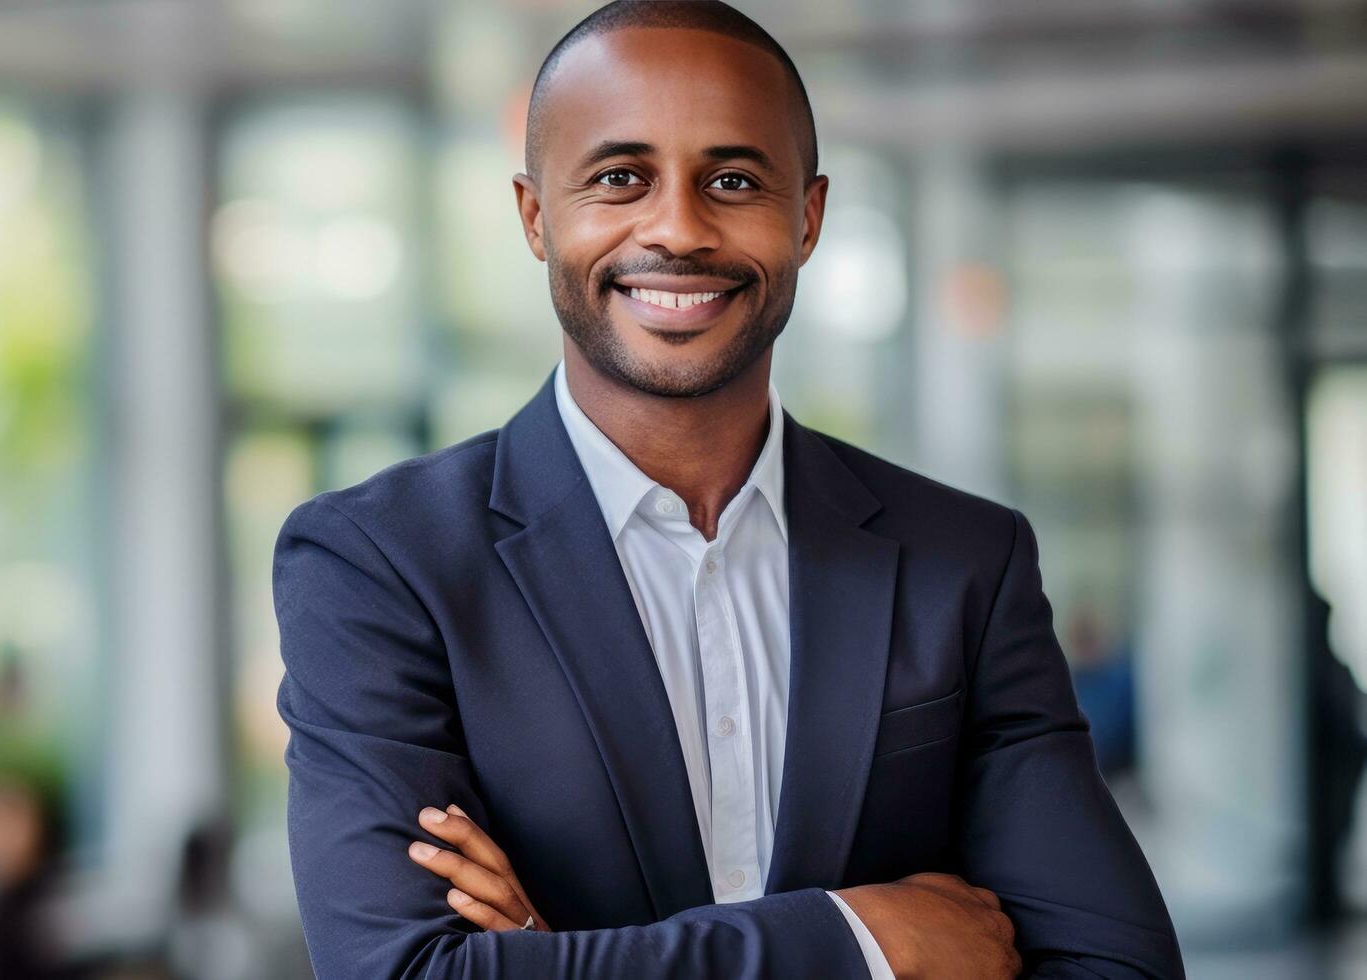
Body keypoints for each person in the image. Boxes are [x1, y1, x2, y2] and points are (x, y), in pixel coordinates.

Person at [270, 3, 1182, 977]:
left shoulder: (962, 560)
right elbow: (400, 971)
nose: (676, 228)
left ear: (807, 215)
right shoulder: (379, 563)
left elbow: (1116, 966)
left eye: (732, 180)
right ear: (536, 215)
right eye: (620, 178)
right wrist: (861, 939)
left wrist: (558, 958)